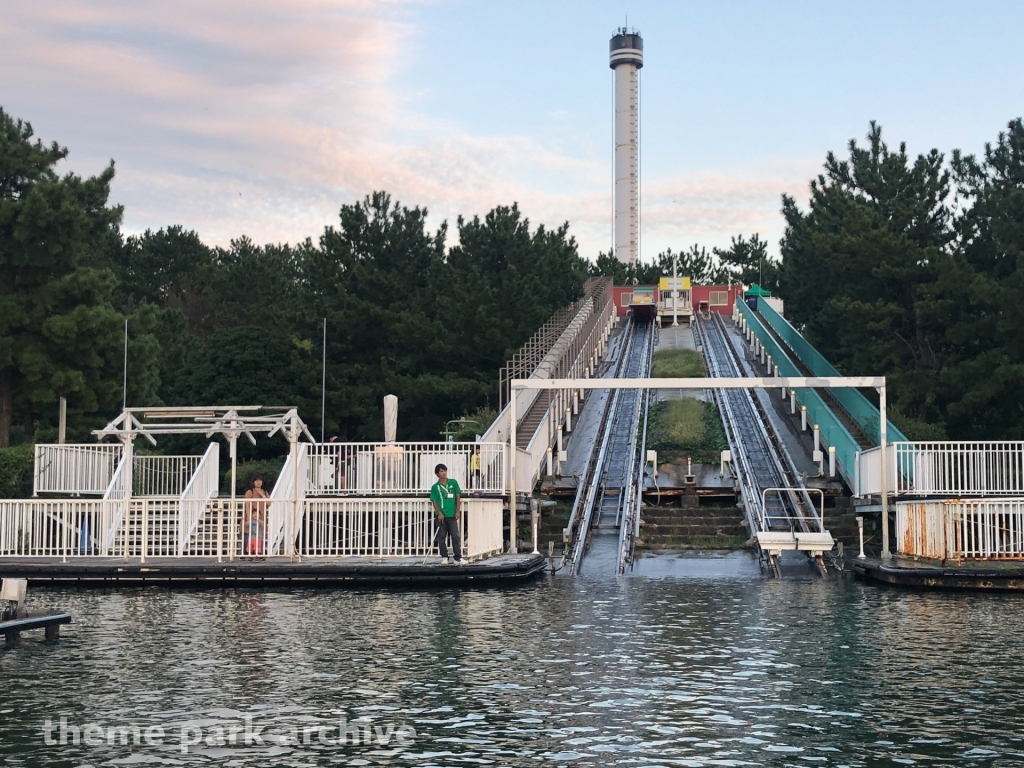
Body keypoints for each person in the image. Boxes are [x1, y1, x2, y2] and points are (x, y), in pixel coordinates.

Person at [429, 463, 466, 565]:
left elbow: (457, 496)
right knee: (441, 537)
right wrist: (439, 513)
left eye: (445, 471)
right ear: (437, 474)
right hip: (441, 516)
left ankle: (457, 557)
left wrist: (457, 511)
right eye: (441, 471)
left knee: (455, 536)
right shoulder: (435, 487)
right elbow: (434, 501)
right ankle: (444, 557)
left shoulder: (453, 482)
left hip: (452, 514)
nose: (444, 473)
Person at [242, 475, 268, 558]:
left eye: (260, 480)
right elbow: (247, 505)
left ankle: (259, 553)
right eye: (256, 480)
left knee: (260, 535)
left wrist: (262, 495)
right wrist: (249, 517)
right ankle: (246, 553)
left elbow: (269, 503)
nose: (259, 482)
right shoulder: (250, 491)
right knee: (248, 535)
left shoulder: (264, 492)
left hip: (260, 517)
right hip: (251, 516)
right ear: (253, 482)